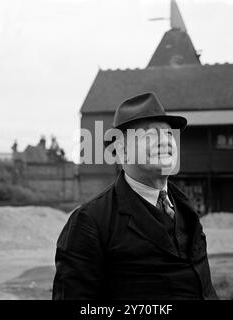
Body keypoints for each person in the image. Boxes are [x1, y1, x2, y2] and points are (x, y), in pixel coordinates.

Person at [52, 92, 217, 300]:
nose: (164, 142)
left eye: (168, 134)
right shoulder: (90, 222)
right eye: (150, 135)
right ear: (122, 150)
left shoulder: (185, 208)